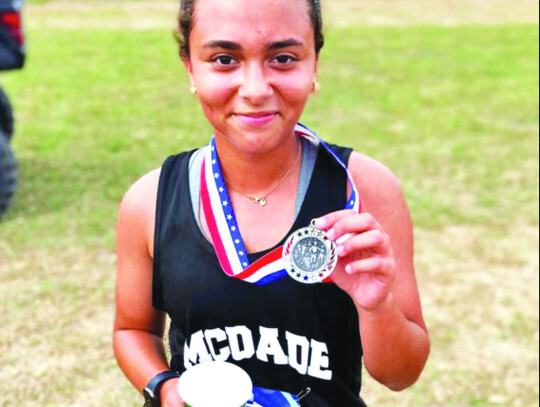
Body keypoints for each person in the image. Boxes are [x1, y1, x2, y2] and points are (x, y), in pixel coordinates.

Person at [113, 0, 430, 406]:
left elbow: (402, 375)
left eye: (282, 58)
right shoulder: (150, 200)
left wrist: (376, 306)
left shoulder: (364, 190)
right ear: (191, 68)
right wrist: (163, 386)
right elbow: (132, 331)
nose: (256, 89)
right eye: (224, 59)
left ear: (314, 63)